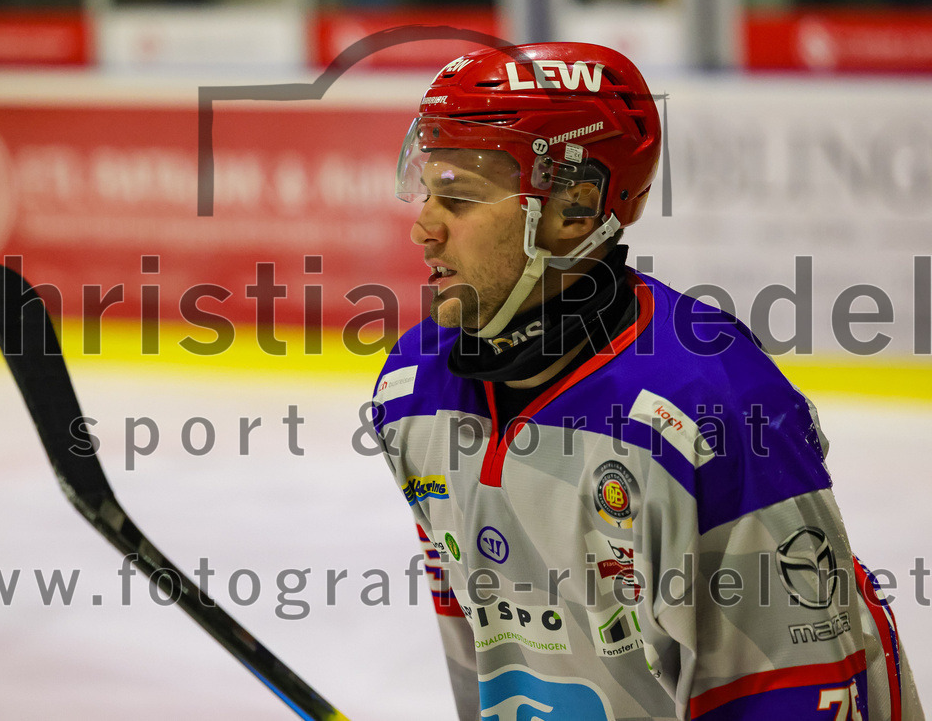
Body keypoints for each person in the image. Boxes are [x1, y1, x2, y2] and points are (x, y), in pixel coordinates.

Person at [371, 42, 924, 719]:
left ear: (574, 208)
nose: (423, 226)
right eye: (426, 187)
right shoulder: (411, 391)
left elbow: (793, 692)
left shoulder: (714, 406)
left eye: (457, 196)